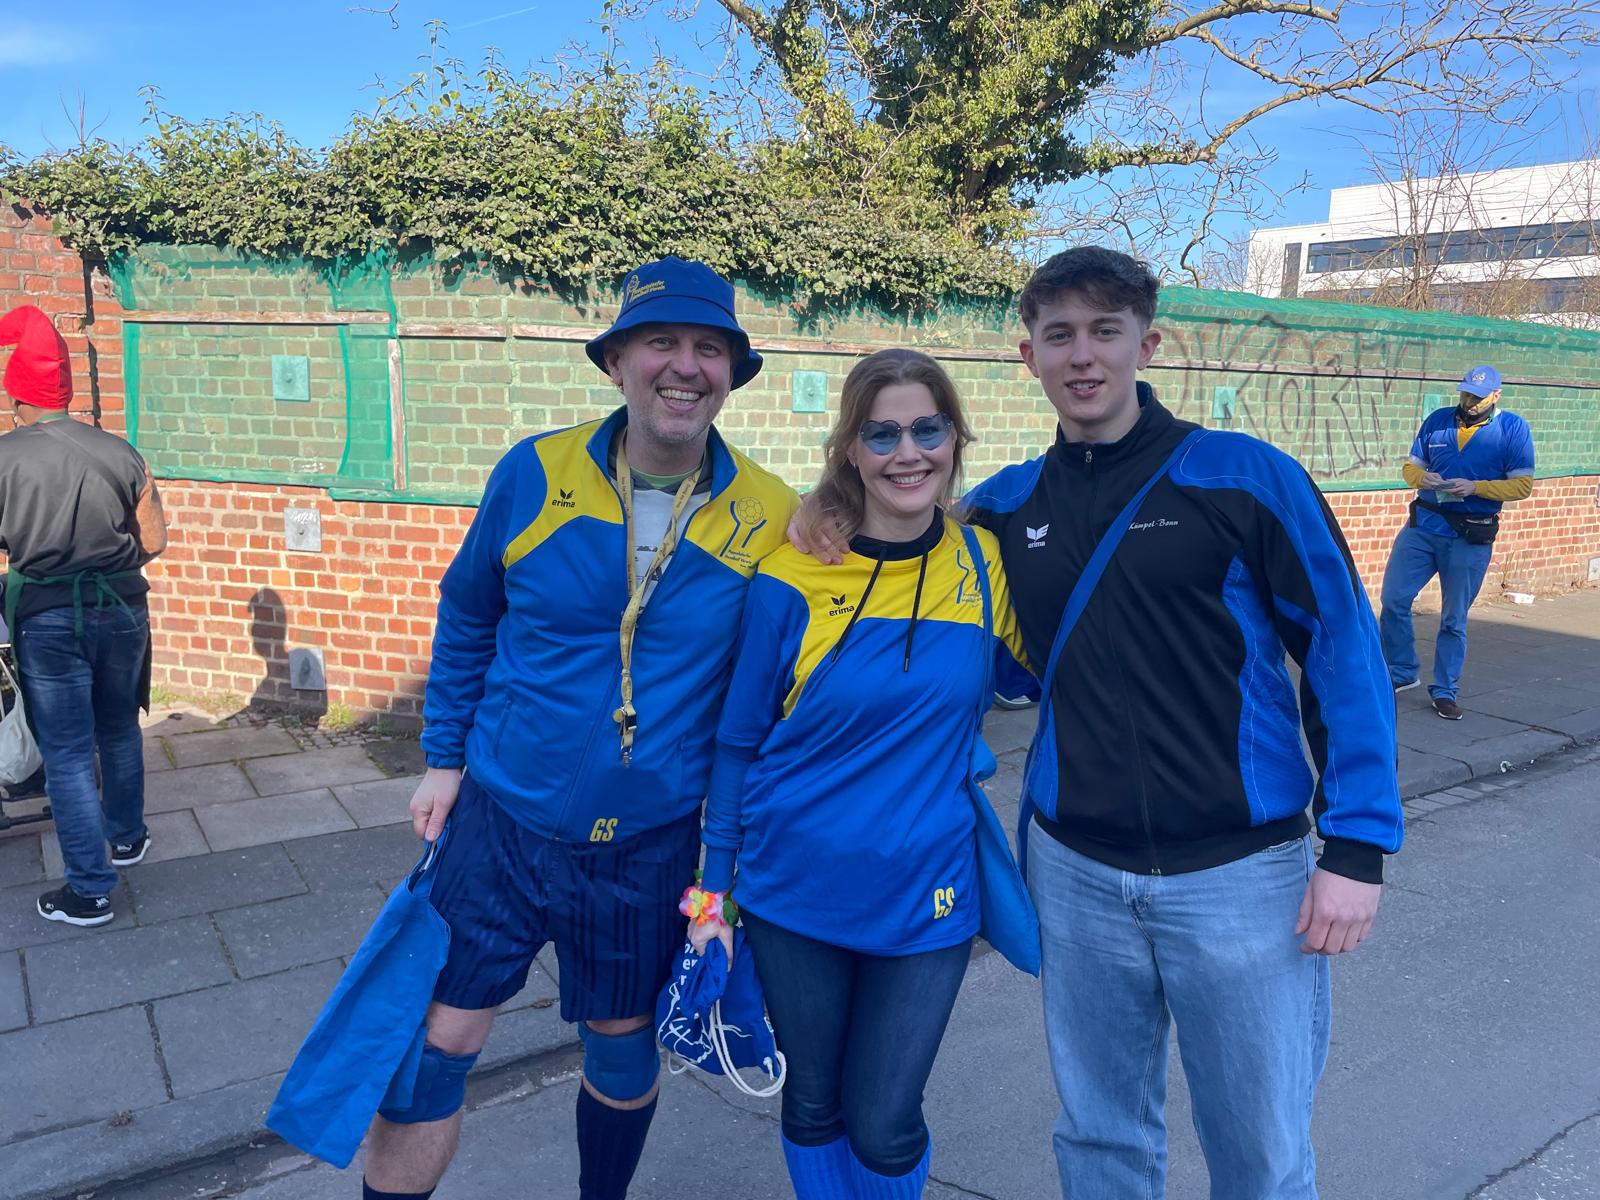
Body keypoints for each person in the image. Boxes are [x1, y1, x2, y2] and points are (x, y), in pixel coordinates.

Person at [793, 247, 1403, 1198]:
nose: (1083, 355)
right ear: (1029, 355)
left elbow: (1343, 651)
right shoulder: (1001, 512)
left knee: (1261, 1151)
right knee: (1101, 1141)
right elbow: (905, 553)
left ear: (1146, 344)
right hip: (1076, 877)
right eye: (1060, 334)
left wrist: (1357, 846)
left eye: (1106, 331)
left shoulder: (1244, 478)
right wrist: (826, 508)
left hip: (1240, 877)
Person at [357, 257, 798, 1200]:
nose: (686, 366)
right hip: (501, 820)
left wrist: (727, 874)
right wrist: (443, 758)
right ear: (616, 363)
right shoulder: (533, 471)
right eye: (661, 342)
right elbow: (468, 612)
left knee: (623, 1043)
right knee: (439, 1043)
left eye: (710, 348)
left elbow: (771, 692)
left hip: (649, 843)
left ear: (731, 372)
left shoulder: (772, 515)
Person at [689, 348, 1031, 1199]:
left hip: (928, 890)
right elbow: (738, 744)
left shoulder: (984, 562)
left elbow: (1049, 671)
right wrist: (711, 897)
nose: (907, 452)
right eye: (881, 434)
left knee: (884, 1120)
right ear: (850, 448)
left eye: (928, 429)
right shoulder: (792, 570)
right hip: (792, 887)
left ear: (955, 439)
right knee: (812, 1102)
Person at [0, 304, 167, 927]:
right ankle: (127, 839)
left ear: (16, 396)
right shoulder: (122, 452)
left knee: (68, 753)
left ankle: (90, 891)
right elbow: (155, 540)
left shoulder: (4, 457)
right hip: (122, 609)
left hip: (46, 618)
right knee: (119, 728)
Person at [1379, 366, 1535, 720]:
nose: (1469, 402)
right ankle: (1402, 671)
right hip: (1423, 526)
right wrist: (1422, 478)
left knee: (1453, 618)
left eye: (1478, 397)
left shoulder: (1512, 429)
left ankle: (1445, 690)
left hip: (1469, 534)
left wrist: (1475, 487)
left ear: (1496, 395)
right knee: (1394, 599)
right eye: (1465, 394)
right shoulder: (1438, 421)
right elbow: (1410, 467)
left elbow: (1522, 485)